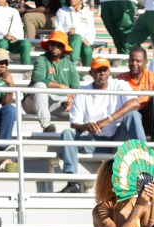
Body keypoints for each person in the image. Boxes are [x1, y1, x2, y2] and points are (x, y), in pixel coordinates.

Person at [58, 56, 145, 194]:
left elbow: (135, 103)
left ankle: (143, 160)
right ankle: (72, 181)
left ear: (109, 71)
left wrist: (107, 120)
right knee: (67, 133)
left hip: (118, 139)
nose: (102, 73)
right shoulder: (83, 91)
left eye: (105, 69)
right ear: (91, 73)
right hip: (93, 140)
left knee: (133, 114)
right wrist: (88, 126)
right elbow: (75, 124)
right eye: (98, 70)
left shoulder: (119, 84)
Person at [22, 31, 80, 133]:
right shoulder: (41, 59)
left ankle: (81, 135)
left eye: (59, 45)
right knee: (40, 86)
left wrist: (72, 102)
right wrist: (61, 86)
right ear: (48, 45)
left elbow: (77, 89)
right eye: (52, 44)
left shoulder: (70, 65)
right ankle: (46, 125)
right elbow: (37, 78)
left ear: (64, 48)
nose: (55, 47)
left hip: (57, 103)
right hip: (33, 102)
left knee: (79, 104)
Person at [115, 46, 154, 141]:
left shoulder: (153, 78)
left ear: (145, 62)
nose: (134, 63)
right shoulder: (120, 79)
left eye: (138, 61)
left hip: (148, 118)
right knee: (131, 113)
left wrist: (148, 92)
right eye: (132, 60)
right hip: (127, 117)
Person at [0, 0, 31, 65]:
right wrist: (2, 37)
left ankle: (27, 71)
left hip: (11, 42)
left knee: (26, 43)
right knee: (3, 42)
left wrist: (14, 38)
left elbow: (19, 31)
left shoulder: (14, 11)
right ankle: (1, 70)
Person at [53, 0, 94, 66]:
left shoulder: (88, 13)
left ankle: (87, 73)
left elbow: (91, 30)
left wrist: (88, 40)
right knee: (76, 37)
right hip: (67, 40)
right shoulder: (62, 11)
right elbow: (58, 29)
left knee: (87, 51)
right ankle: (75, 63)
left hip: (83, 41)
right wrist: (68, 33)